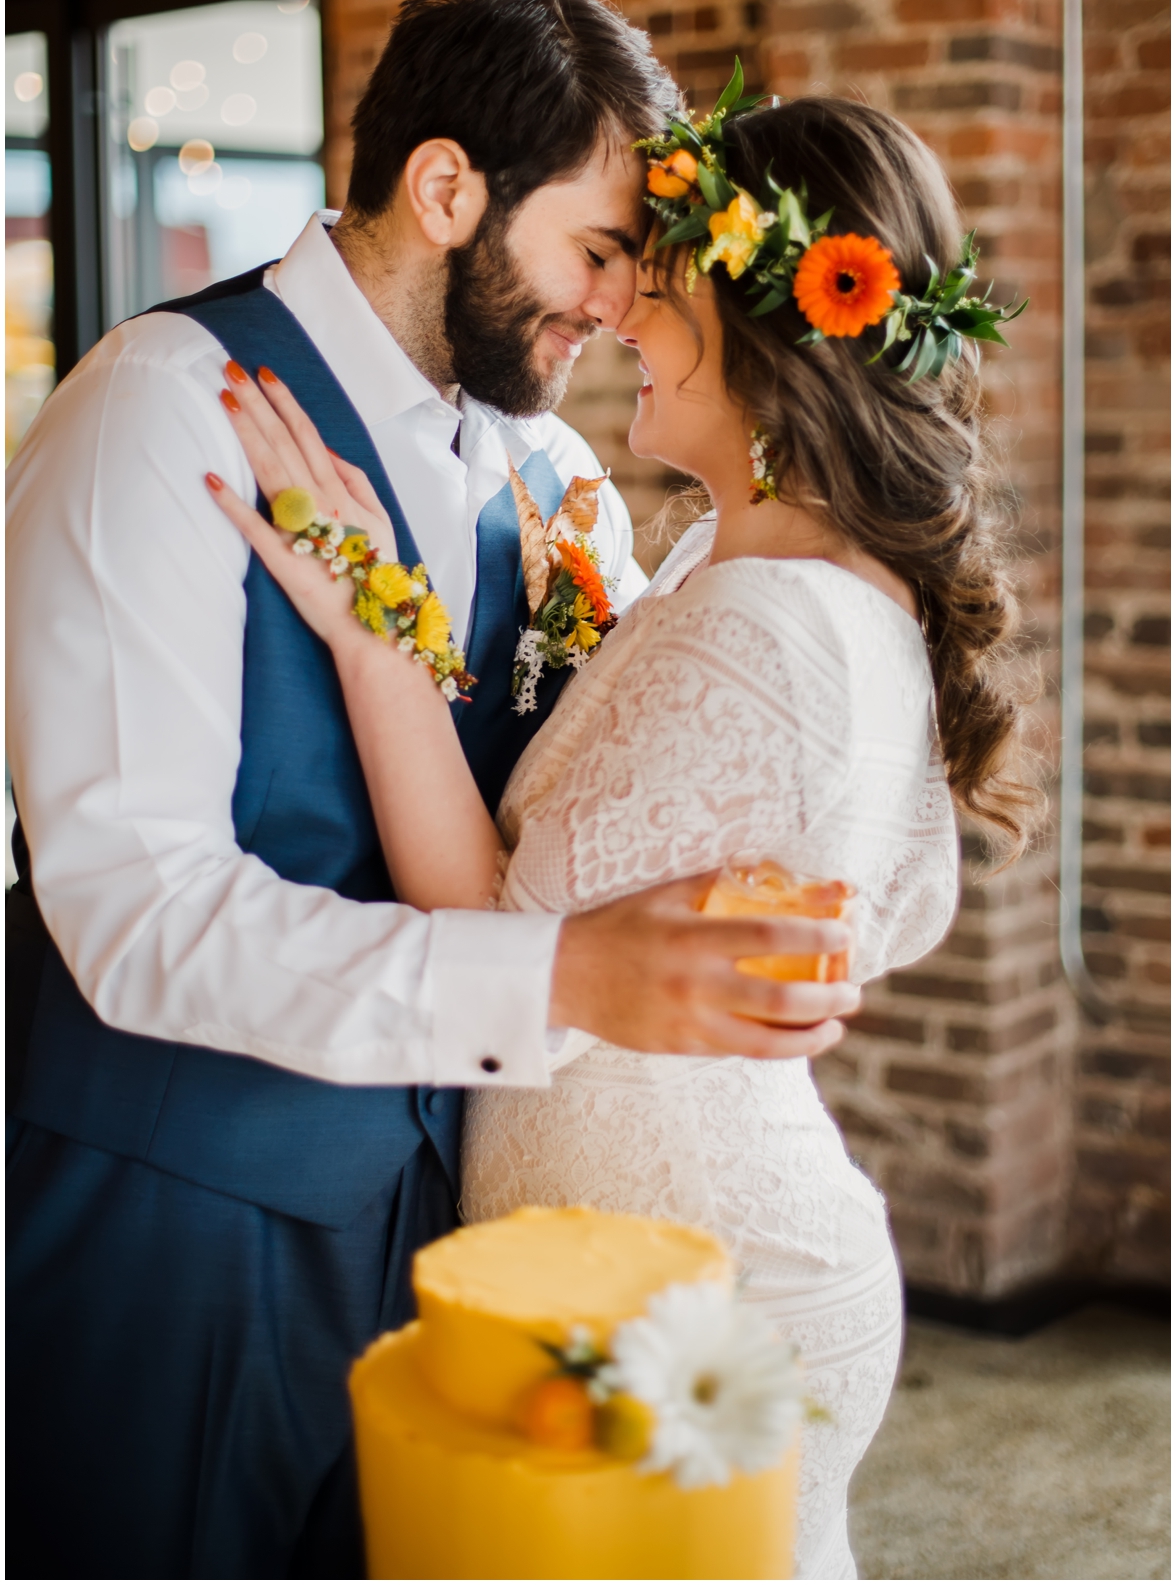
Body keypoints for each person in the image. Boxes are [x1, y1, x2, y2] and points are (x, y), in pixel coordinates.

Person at [6, 0, 855, 1580]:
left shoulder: (549, 471)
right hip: (180, 1223)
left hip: (452, 1223)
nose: (613, 307)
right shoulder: (157, 413)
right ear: (449, 189)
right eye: (595, 251)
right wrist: (564, 974)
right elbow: (132, 910)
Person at [209, 87, 1041, 1579]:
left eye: (655, 289)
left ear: (769, 337)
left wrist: (365, 614)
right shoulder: (809, 581)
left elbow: (494, 935)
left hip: (676, 1304)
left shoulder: (752, 622)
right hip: (700, 1250)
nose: (618, 314)